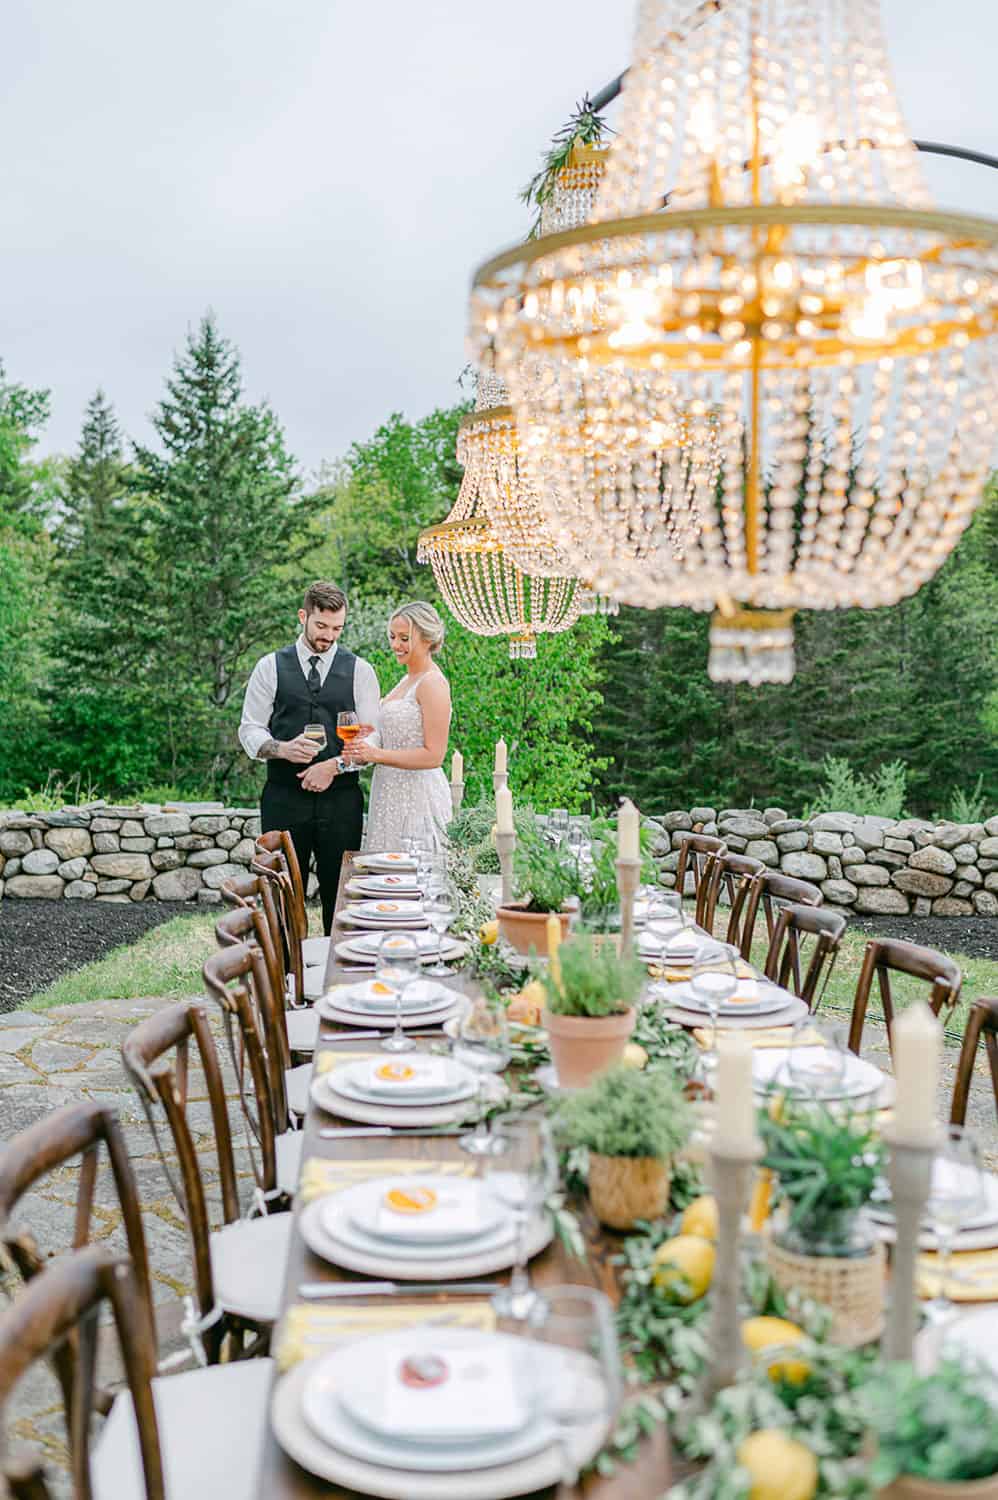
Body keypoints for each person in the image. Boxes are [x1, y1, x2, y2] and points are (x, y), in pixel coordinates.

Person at [238, 581, 381, 934]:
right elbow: (250, 729)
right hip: (283, 798)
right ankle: (286, 979)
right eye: (321, 626)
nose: (328, 636)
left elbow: (373, 737)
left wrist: (335, 766)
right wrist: (282, 748)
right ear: (303, 616)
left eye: (337, 628)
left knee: (343, 896)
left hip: (341, 800)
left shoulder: (360, 670)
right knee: (282, 893)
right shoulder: (269, 666)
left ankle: (340, 980)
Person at [345, 601, 452, 851]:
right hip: (388, 793)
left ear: (427, 638)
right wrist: (364, 742)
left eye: (404, 638)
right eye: (392, 636)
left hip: (417, 797)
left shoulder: (432, 683)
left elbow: (434, 755)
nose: (395, 645)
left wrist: (376, 755)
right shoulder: (406, 679)